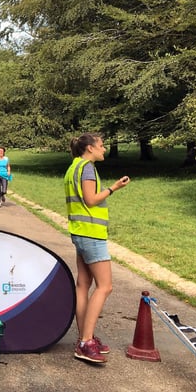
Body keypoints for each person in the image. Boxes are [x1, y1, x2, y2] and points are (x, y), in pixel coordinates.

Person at [64, 133, 130, 363]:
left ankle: (84, 337)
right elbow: (91, 200)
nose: (104, 149)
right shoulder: (88, 168)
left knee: (83, 284)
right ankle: (85, 342)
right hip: (91, 233)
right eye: (101, 146)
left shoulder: (74, 167)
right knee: (105, 286)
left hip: (79, 231)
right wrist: (113, 188)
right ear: (90, 148)